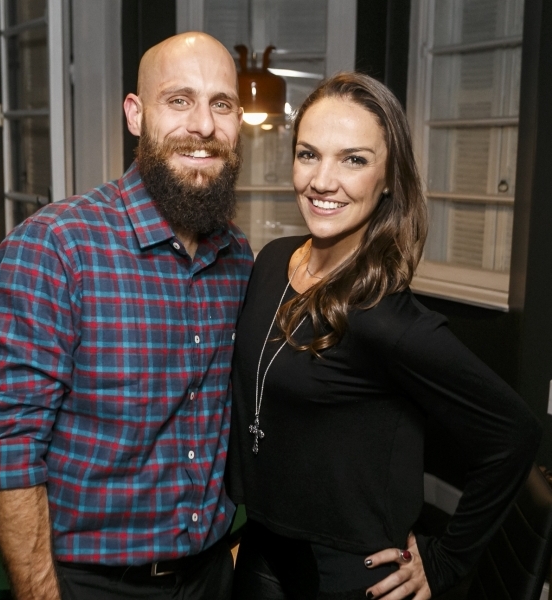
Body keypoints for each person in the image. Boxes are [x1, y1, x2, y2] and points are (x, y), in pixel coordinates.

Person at [226, 72, 540, 600]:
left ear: (390, 177)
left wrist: (444, 562)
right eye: (309, 154)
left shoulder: (387, 319)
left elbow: (514, 435)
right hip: (259, 550)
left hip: (348, 576)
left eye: (354, 159)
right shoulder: (273, 261)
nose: (323, 181)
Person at [0, 32, 253, 600]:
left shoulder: (239, 256)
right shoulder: (56, 246)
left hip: (212, 577)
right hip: (93, 584)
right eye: (179, 100)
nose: (203, 124)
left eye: (221, 104)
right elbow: (9, 444)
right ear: (135, 114)